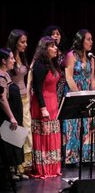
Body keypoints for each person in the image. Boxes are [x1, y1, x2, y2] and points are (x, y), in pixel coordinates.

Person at [61, 29, 95, 166]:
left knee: (87, 125)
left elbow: (92, 77)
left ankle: (86, 157)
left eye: (91, 39)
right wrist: (78, 96)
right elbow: (69, 76)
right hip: (74, 93)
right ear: (81, 40)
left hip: (87, 94)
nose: (91, 42)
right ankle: (73, 157)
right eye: (88, 39)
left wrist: (92, 95)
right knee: (74, 125)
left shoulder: (91, 57)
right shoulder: (71, 55)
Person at [29, 37, 62, 178]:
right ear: (45, 49)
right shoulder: (39, 66)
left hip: (53, 102)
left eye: (55, 46)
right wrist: (43, 108)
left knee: (52, 134)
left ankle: (53, 167)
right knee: (44, 135)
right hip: (43, 103)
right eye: (52, 46)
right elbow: (37, 88)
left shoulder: (51, 64)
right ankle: (44, 168)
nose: (56, 48)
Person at [7, 29, 33, 173]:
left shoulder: (22, 58)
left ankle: (23, 166)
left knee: (27, 131)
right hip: (14, 100)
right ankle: (14, 166)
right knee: (16, 132)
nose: (25, 45)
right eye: (22, 42)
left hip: (25, 98)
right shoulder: (8, 58)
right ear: (15, 42)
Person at [0, 48, 27, 181]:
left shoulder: (5, 74)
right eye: (10, 58)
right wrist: (11, 117)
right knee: (6, 148)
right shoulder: (0, 76)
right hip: (5, 117)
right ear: (3, 61)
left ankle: (14, 171)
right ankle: (7, 176)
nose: (13, 60)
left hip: (13, 113)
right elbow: (2, 98)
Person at [41, 25, 69, 103]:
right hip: (51, 85)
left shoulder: (64, 53)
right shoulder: (46, 54)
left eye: (58, 34)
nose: (56, 36)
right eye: (53, 34)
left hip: (63, 86)